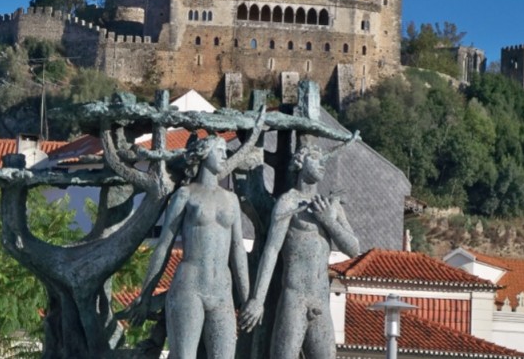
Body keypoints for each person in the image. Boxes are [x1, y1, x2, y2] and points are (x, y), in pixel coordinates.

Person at [128, 118, 264, 358]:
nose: (224, 155)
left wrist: (247, 299)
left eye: (225, 151)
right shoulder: (185, 195)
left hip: (222, 288)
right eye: (219, 151)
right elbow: (164, 247)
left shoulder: (231, 200)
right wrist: (145, 294)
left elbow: (238, 251)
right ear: (204, 155)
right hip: (189, 286)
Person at [240, 144, 360, 358]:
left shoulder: (331, 206)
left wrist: (328, 221)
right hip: (295, 298)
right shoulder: (288, 202)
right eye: (315, 158)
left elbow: (354, 249)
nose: (322, 164)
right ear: (300, 163)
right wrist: (258, 299)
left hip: (321, 299)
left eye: (323, 159)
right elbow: (271, 251)